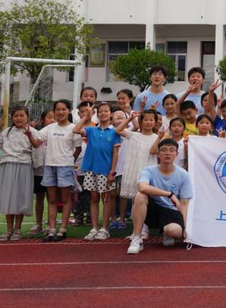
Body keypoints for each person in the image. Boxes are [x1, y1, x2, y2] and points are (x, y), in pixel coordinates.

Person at [126, 137, 193, 254]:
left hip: (171, 212)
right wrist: (169, 194)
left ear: (176, 154)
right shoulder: (148, 170)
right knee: (140, 195)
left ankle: (167, 234)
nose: (168, 153)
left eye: (172, 150)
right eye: (164, 150)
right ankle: (137, 238)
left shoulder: (184, 174)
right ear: (158, 154)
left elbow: (184, 203)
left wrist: (186, 227)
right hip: (153, 210)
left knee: (175, 231)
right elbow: (142, 187)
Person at [26, 99, 80, 242]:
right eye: (58, 110)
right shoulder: (49, 128)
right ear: (54, 112)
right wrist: (29, 135)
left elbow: (78, 148)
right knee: (51, 199)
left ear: (69, 111)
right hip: (50, 166)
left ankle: (62, 230)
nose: (60, 112)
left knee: (65, 198)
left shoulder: (73, 128)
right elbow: (37, 144)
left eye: (64, 109)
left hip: (65, 167)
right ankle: (51, 230)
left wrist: (69, 160)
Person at [74, 102, 123, 241]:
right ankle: (94, 228)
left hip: (106, 170)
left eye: (106, 111)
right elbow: (76, 130)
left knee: (106, 199)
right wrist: (86, 116)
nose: (103, 114)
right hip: (91, 169)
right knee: (94, 199)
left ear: (110, 114)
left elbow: (116, 153)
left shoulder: (114, 131)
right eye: (100, 111)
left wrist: (112, 172)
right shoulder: (91, 129)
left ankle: (105, 228)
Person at [0, 106, 35, 242]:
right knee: (9, 198)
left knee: (20, 198)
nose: (18, 118)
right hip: (7, 166)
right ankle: (9, 229)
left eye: (21, 115)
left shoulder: (32, 132)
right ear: (12, 118)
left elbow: (36, 150)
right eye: (15, 116)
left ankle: (18, 229)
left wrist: (37, 167)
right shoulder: (6, 132)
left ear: (27, 116)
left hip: (24, 166)